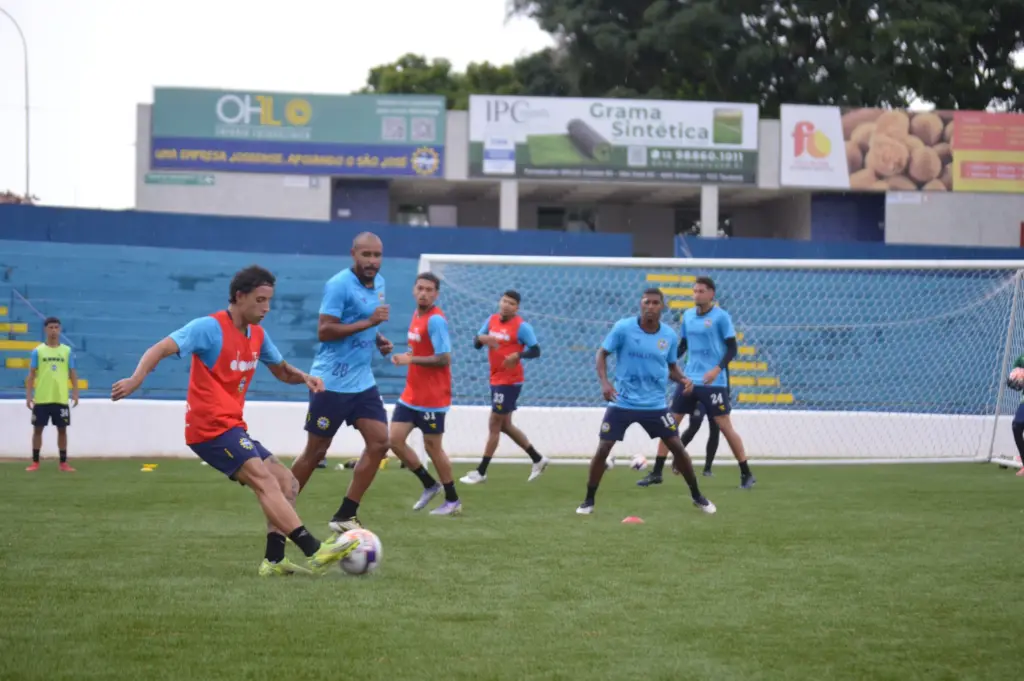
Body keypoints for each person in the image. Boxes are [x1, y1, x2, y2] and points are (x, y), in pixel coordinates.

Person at [110, 265, 358, 576]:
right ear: (239, 297)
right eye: (260, 300)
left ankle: (275, 560)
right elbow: (160, 348)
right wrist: (135, 379)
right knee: (263, 479)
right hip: (208, 428)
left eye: (269, 300)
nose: (266, 308)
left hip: (232, 426)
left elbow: (281, 370)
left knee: (287, 482)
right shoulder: (208, 328)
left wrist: (305, 377)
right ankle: (314, 549)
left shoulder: (257, 334)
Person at [577, 288, 715, 515]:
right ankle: (588, 501)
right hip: (622, 401)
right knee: (603, 449)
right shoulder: (623, 328)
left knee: (678, 448)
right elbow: (602, 353)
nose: (650, 306)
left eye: (655, 303)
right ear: (640, 305)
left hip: (655, 405)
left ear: (662, 307)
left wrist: (682, 379)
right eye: (646, 302)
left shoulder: (669, 336)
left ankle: (697, 496)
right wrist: (604, 382)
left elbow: (670, 367)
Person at [290, 232, 394, 534]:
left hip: (362, 382)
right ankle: (281, 507)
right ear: (354, 254)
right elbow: (325, 330)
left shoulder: (381, 284)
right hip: (331, 381)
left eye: (377, 255)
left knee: (380, 443)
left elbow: (363, 323)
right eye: (366, 255)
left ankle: (345, 514)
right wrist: (370, 323)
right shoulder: (338, 285)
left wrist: (378, 339)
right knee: (316, 452)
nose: (372, 262)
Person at [639, 276, 755, 489]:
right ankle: (656, 472)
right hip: (689, 380)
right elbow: (683, 346)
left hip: (713, 382)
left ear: (711, 294)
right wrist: (666, 362)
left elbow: (732, 349)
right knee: (669, 423)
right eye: (694, 291)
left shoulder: (721, 317)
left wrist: (716, 370)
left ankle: (746, 473)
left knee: (725, 427)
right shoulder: (688, 316)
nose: (696, 294)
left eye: (701, 291)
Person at [387, 272, 462, 515]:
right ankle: (429, 484)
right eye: (420, 288)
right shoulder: (415, 315)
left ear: (436, 294)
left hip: (432, 397)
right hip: (411, 394)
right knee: (394, 440)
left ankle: (452, 500)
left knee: (433, 448)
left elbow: (444, 358)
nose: (424, 293)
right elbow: (417, 349)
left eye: (429, 290)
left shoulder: (436, 320)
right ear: (413, 290)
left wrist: (410, 360)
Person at [460, 290, 548, 484]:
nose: (506, 305)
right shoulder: (491, 320)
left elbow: (536, 350)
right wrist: (482, 339)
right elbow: (476, 342)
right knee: (505, 425)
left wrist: (518, 355)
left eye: (511, 303)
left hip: (510, 381)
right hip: (495, 378)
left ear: (517, 308)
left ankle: (481, 471)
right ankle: (537, 458)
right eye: (504, 301)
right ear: (500, 302)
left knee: (494, 423)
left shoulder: (522, 327)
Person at [25, 317, 79, 472]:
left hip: (60, 397)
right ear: (45, 330)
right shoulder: (38, 351)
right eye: (51, 327)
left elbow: (72, 373)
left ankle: (63, 463)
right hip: (42, 398)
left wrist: (75, 393)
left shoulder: (67, 351)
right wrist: (29, 396)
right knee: (38, 430)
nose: (54, 330)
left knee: (62, 430)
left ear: (60, 329)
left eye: (56, 327)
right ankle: (35, 462)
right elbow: (31, 375)